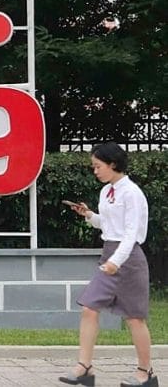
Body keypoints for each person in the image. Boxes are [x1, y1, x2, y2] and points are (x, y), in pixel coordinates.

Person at [60, 142, 155, 387]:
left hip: (128, 259)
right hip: (110, 255)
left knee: (134, 318)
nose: (95, 171)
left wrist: (116, 262)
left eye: (97, 166)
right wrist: (90, 216)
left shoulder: (131, 193)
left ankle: (146, 373)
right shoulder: (107, 191)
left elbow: (131, 233)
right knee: (89, 307)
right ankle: (84, 367)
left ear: (113, 164)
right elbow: (110, 225)